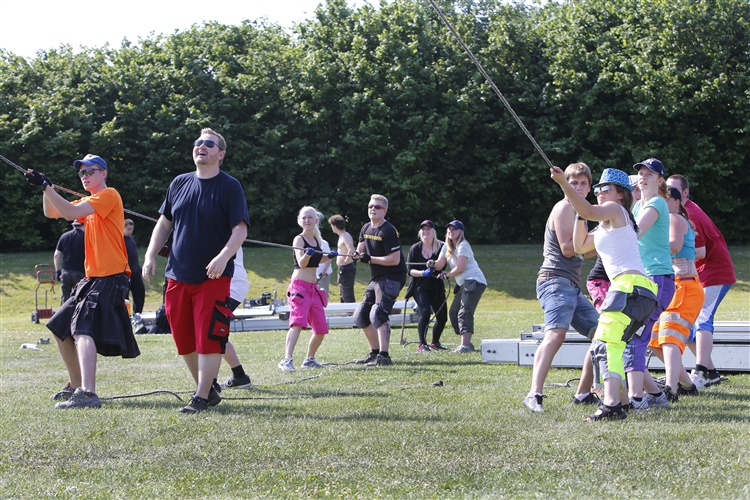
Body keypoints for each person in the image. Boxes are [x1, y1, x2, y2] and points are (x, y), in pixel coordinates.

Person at [143, 128, 249, 414]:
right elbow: (164, 223)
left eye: (208, 144)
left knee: (210, 336)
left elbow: (240, 228)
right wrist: (150, 255)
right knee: (183, 337)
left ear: (220, 154)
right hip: (177, 273)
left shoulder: (230, 186)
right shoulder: (179, 183)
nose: (201, 146)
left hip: (213, 276)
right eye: (198, 142)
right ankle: (208, 388)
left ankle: (201, 396)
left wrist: (224, 257)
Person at [25, 154, 140, 409]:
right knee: (59, 326)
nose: (85, 176)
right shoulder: (88, 201)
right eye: (82, 173)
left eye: (91, 171)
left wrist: (45, 186)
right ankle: (76, 386)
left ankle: (88, 393)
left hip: (111, 276)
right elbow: (53, 212)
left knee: (81, 329)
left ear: (104, 174)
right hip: (92, 278)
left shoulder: (109, 195)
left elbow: (70, 212)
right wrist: (49, 189)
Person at [551, 167, 658, 421]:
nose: (599, 192)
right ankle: (619, 402)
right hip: (638, 290)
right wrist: (580, 215)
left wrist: (565, 185)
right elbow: (579, 246)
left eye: (604, 188)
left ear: (620, 194)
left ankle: (612, 405)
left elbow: (588, 211)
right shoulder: (606, 225)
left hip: (628, 286)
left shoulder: (615, 210)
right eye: (597, 189)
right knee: (612, 346)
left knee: (605, 344)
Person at [522, 163, 600, 413]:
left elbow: (583, 252)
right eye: (573, 182)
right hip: (554, 280)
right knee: (556, 334)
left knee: (601, 336)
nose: (578, 187)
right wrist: (604, 232)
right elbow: (568, 248)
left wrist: (605, 239)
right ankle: (534, 394)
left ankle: (584, 394)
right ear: (565, 183)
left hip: (571, 286)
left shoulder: (581, 211)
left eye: (583, 183)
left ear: (589, 187)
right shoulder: (566, 208)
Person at [667, 174, 737, 388]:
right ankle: (712, 373)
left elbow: (701, 251)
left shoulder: (689, 215)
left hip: (715, 273)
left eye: (674, 191)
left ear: (684, 194)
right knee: (687, 324)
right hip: (701, 274)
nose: (668, 194)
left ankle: (699, 373)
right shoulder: (681, 213)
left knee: (703, 320)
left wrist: (670, 251)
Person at [625, 158, 674, 411]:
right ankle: (655, 396)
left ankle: (636, 399)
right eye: (641, 173)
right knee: (631, 337)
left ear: (660, 180)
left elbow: (634, 233)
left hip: (658, 279)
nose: (643, 177)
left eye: (649, 173)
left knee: (635, 338)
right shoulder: (638, 206)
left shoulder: (656, 203)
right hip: (644, 279)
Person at [647, 187, 702, 400]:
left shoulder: (674, 219)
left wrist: (647, 243)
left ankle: (671, 389)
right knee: (655, 342)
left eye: (666, 199)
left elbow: (675, 245)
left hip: (685, 285)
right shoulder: (666, 220)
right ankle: (687, 385)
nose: (661, 203)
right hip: (673, 286)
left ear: (677, 202)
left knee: (669, 336)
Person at [351, 194, 407, 367]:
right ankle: (374, 353)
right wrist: (355, 255)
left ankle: (384, 356)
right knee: (360, 316)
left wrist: (370, 259)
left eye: (377, 207)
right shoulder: (366, 228)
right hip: (376, 278)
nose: (372, 209)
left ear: (385, 211)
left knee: (379, 313)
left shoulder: (389, 230)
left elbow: (395, 259)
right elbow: (360, 250)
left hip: (393, 276)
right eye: (370, 207)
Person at [278, 207, 335, 372]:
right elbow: (302, 262)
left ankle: (309, 359)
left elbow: (317, 261)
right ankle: (286, 360)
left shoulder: (318, 241)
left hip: (313, 288)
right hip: (299, 287)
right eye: (304, 218)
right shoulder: (299, 239)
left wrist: (329, 256)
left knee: (321, 328)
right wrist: (308, 254)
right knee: (297, 323)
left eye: (310, 217)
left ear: (316, 220)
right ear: (300, 220)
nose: (307, 220)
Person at [433, 220, 487, 353]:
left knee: (464, 312)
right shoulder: (446, 246)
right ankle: (466, 343)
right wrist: (431, 263)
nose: (451, 231)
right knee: (454, 312)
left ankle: (465, 346)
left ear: (460, 232)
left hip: (474, 281)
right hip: (464, 283)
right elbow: (440, 264)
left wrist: (447, 275)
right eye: (449, 229)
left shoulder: (463, 245)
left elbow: (460, 268)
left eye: (454, 229)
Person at [404, 220, 447, 352]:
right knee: (425, 311)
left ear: (434, 231)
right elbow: (409, 270)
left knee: (442, 317)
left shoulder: (441, 247)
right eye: (423, 229)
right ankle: (422, 344)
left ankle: (435, 342)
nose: (425, 232)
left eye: (428, 229)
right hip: (420, 286)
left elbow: (443, 265)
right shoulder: (415, 248)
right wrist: (423, 273)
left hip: (436, 286)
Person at [215, 247, 253, 389]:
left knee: (213, 333)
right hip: (226, 285)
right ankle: (239, 376)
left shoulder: (226, 227)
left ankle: (212, 382)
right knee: (216, 333)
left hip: (232, 287)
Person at [53, 221, 85, 303]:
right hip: (80, 273)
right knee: (80, 299)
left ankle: (65, 315)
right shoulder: (86, 237)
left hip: (65, 272)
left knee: (65, 299)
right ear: (84, 225)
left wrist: (58, 271)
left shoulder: (64, 236)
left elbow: (56, 255)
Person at [328, 214, 357, 303]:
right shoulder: (342, 236)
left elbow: (351, 250)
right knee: (343, 292)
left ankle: (349, 313)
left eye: (332, 225)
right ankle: (346, 312)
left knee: (346, 293)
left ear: (335, 226)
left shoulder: (345, 236)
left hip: (347, 268)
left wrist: (346, 261)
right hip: (344, 268)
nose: (331, 227)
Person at [123, 219, 145, 314]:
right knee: (124, 296)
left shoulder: (131, 238)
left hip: (135, 271)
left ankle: (137, 314)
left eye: (132, 229)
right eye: (128, 229)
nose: (130, 231)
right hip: (125, 272)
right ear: (123, 228)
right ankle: (125, 316)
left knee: (140, 292)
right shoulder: (120, 239)